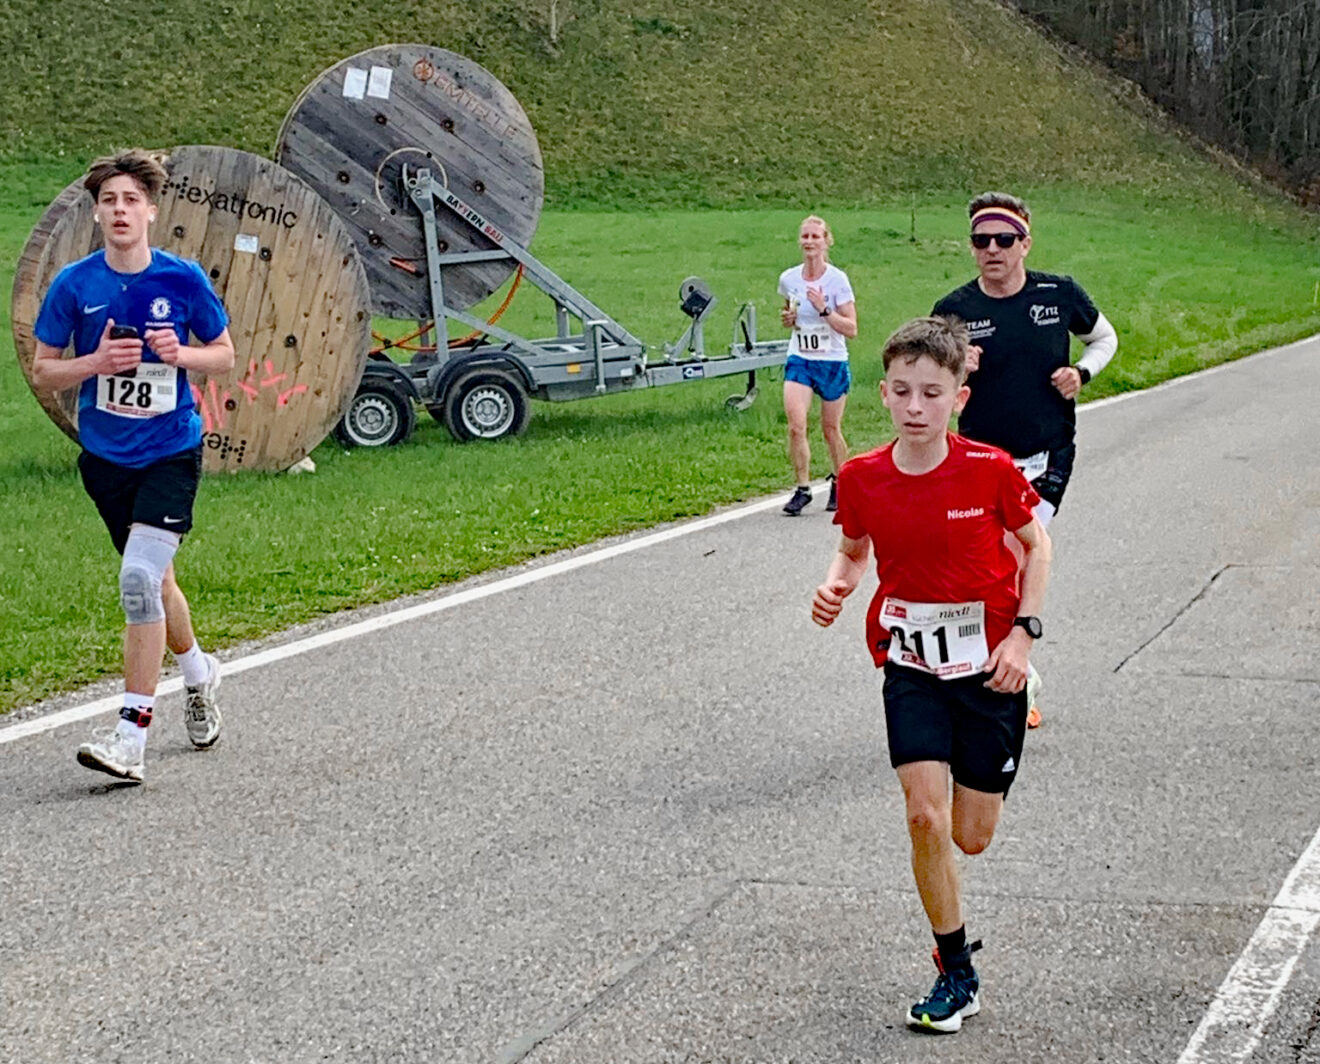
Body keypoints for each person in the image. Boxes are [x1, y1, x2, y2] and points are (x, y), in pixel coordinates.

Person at [811, 316, 1051, 1034]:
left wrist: (1023, 636)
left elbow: (1037, 549)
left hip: (990, 668)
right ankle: (956, 973)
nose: (917, 408)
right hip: (910, 662)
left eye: (933, 394)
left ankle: (1019, 694)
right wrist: (837, 583)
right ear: (882, 394)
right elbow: (854, 550)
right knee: (924, 815)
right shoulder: (861, 477)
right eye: (904, 392)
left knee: (972, 836)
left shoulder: (989, 470)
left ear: (958, 399)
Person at [31, 149, 236, 784]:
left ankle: (130, 738)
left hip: (171, 450)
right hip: (106, 460)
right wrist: (94, 364)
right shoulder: (75, 285)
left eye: (131, 201)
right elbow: (43, 370)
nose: (121, 210)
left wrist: (183, 355)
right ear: (97, 214)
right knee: (157, 582)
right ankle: (199, 673)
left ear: (151, 211)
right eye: (110, 201)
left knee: (137, 583)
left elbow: (225, 355)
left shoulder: (182, 279)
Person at [932, 192, 1116, 727]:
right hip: (979, 460)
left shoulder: (1058, 294)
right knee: (984, 565)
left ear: (1025, 243)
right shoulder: (954, 309)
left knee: (1013, 556)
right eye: (981, 240)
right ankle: (996, 665)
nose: (992, 249)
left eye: (1004, 240)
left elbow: (1104, 337)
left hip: (1046, 454)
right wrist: (957, 364)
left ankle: (1018, 672)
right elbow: (930, 382)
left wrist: (1082, 373)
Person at [777, 214, 858, 516]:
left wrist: (824, 309)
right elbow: (789, 313)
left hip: (832, 361)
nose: (809, 242)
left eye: (815, 236)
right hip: (800, 359)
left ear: (826, 241)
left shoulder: (837, 280)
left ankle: (840, 481)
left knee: (830, 429)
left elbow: (851, 328)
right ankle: (802, 488)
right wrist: (789, 319)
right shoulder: (789, 279)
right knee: (796, 426)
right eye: (805, 236)